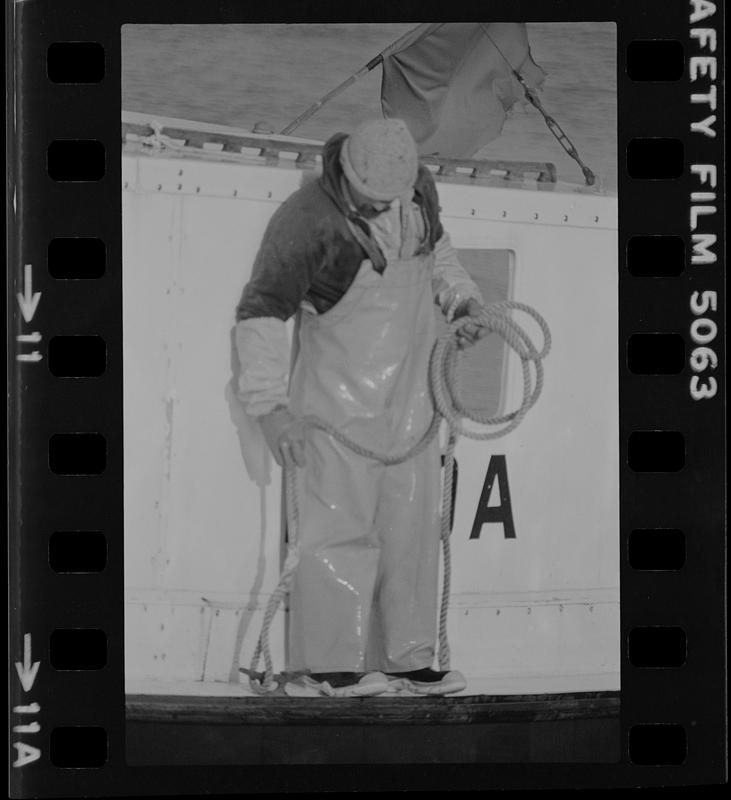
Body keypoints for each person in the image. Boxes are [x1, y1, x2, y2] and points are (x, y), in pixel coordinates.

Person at [235, 118, 487, 697]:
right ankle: (327, 665)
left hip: (413, 400)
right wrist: (271, 410)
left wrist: (464, 303)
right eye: (370, 199)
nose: (381, 207)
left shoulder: (418, 190)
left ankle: (409, 660)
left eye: (389, 199)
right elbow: (262, 315)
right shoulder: (306, 221)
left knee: (413, 529)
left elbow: (438, 255)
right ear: (345, 172)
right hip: (336, 406)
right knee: (336, 530)